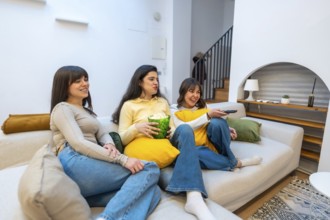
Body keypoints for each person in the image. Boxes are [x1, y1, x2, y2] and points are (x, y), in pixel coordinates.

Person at [50, 66, 161, 220]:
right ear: (64, 85)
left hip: (90, 173)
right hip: (74, 162)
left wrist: (110, 144)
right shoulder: (62, 108)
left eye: (86, 79)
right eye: (78, 81)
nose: (85, 84)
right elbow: (78, 143)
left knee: (153, 191)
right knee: (149, 169)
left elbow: (102, 133)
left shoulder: (86, 111)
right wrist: (123, 159)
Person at [112, 65, 217, 220]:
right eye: (151, 79)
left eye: (157, 79)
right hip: (151, 157)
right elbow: (121, 138)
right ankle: (194, 192)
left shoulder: (162, 102)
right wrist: (136, 128)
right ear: (140, 82)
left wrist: (170, 132)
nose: (156, 83)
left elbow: (174, 129)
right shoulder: (129, 105)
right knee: (173, 184)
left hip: (167, 148)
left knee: (185, 130)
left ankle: (195, 199)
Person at [171, 77, 262, 171]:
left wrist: (227, 128)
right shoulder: (174, 109)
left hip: (209, 142)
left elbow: (213, 122)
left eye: (198, 92)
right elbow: (182, 128)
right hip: (194, 147)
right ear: (183, 91)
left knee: (217, 122)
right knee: (194, 153)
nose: (195, 95)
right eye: (191, 91)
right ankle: (237, 163)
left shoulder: (203, 106)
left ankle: (226, 159)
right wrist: (207, 116)